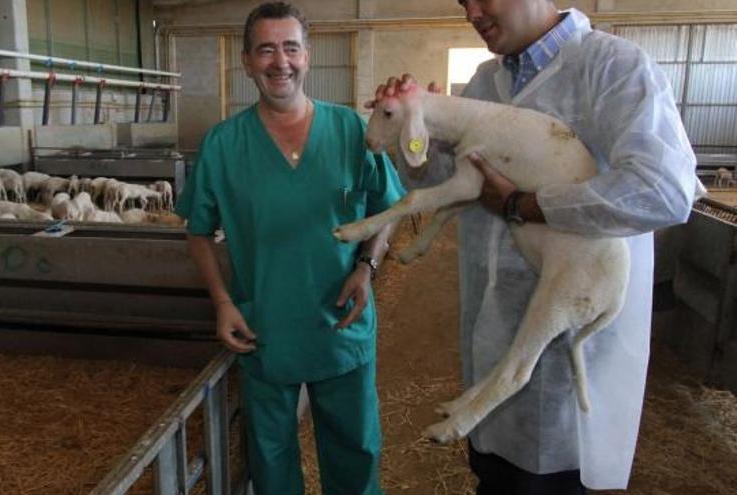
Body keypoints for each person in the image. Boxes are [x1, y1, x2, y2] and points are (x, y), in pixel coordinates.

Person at [373, 0, 699, 493]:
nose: (472, 12)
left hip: (570, 364)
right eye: (462, 1)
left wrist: (527, 204)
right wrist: (410, 132)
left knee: (553, 481)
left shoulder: (613, 68)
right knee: (495, 477)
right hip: (491, 340)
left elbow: (664, 191)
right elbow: (451, 181)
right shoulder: (483, 82)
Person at [174, 2, 404, 494]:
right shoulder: (223, 145)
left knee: (356, 452)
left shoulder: (350, 132)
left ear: (307, 55)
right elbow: (197, 230)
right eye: (266, 50)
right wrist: (222, 303)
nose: (280, 62)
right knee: (272, 460)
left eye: (291, 48)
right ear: (247, 62)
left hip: (340, 325)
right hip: (265, 329)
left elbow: (389, 211)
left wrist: (367, 265)